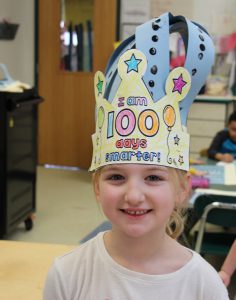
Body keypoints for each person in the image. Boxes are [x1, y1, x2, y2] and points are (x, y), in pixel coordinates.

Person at [43, 12, 229, 300]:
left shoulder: (204, 286)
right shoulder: (67, 274)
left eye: (153, 177)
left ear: (182, 188)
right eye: (116, 176)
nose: (133, 195)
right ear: (96, 187)